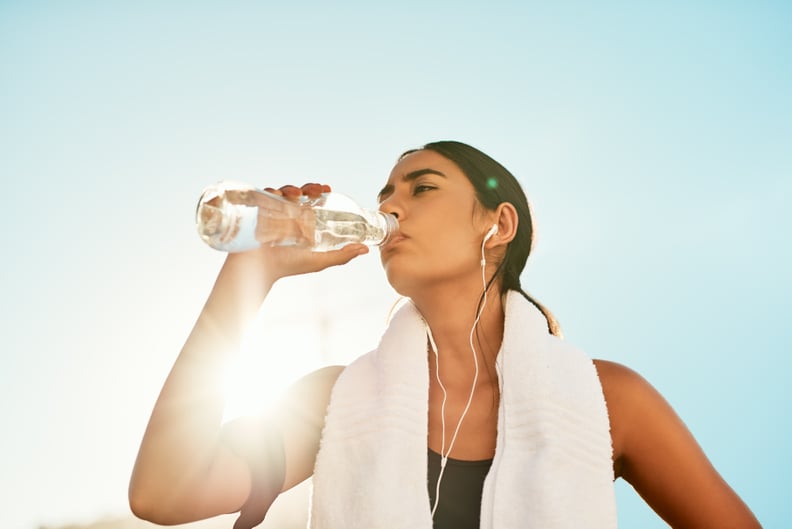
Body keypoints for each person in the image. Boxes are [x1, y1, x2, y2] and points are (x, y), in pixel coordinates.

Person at [129, 140, 762, 529]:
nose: (390, 209)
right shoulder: (334, 400)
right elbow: (162, 494)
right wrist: (248, 276)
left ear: (499, 224)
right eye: (384, 195)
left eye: (421, 188)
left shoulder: (609, 400)